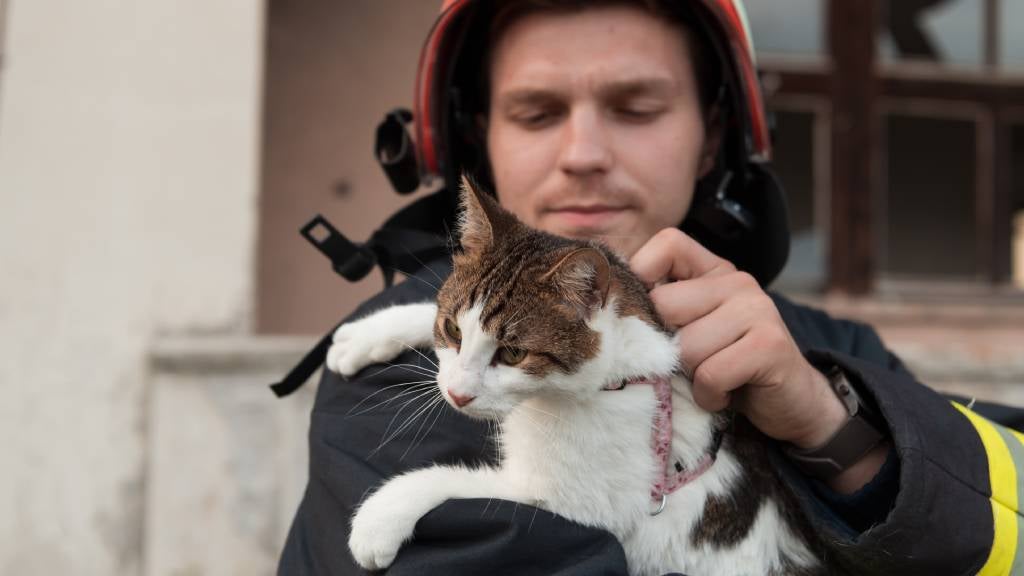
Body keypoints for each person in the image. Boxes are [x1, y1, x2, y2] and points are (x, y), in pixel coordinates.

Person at [278, 1, 1024, 574]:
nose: (584, 155)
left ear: (712, 135)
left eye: (636, 109)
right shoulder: (390, 362)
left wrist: (842, 437)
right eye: (537, 113)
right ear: (478, 140)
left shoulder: (830, 352)